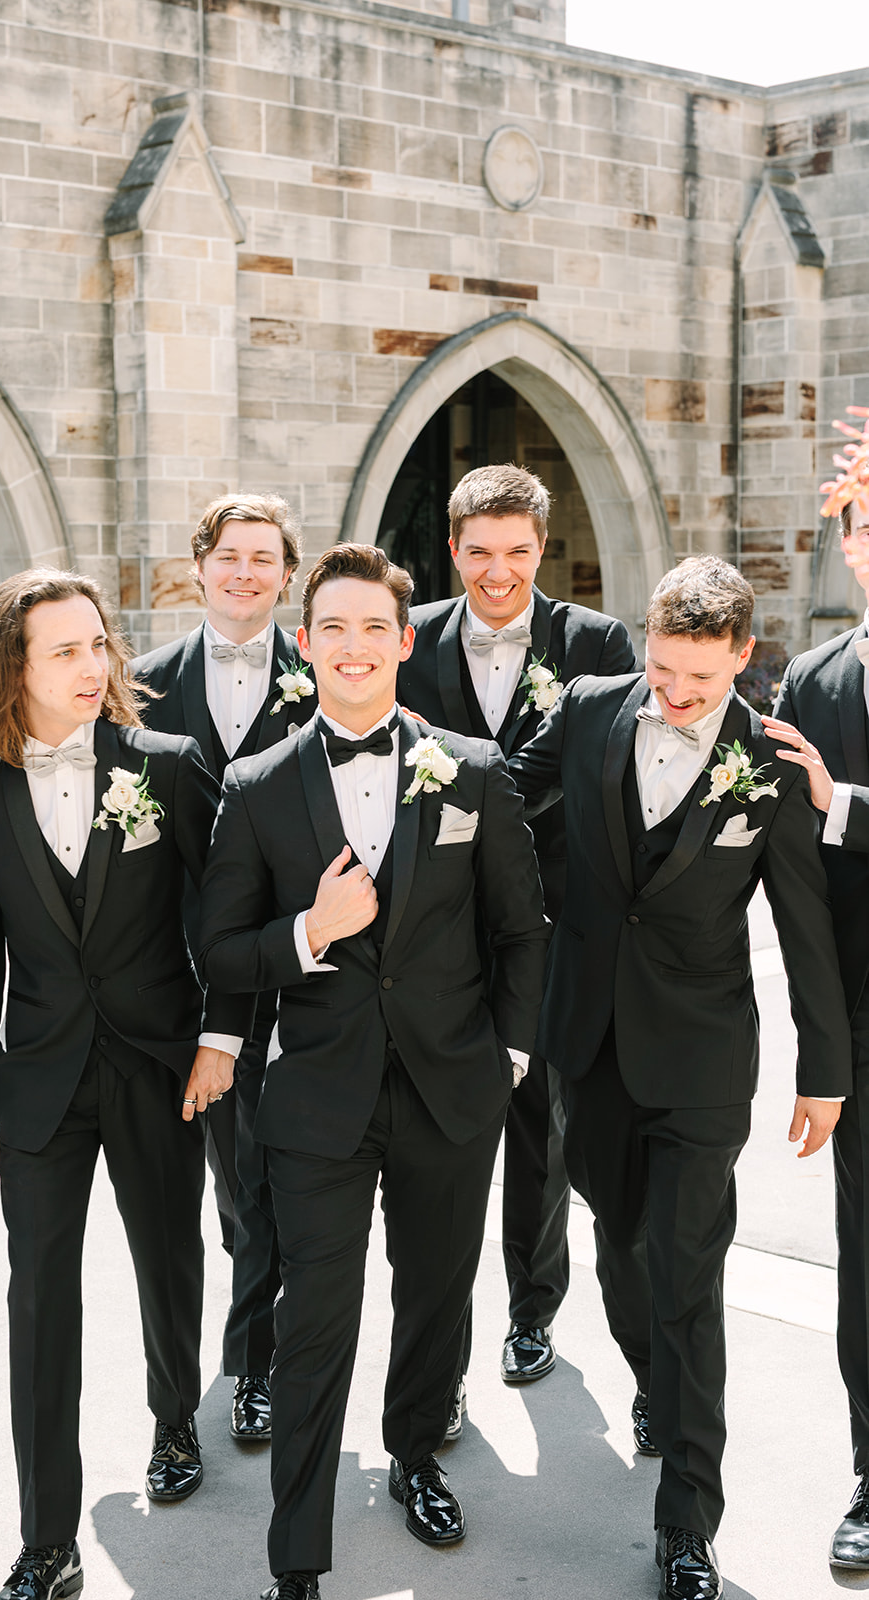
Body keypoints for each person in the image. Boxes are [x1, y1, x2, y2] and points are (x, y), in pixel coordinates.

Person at [198, 542, 550, 1600]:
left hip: (452, 1089)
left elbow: (521, 929)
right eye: (333, 629)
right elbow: (219, 952)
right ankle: (297, 1555)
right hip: (317, 1100)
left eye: (372, 628)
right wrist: (308, 931)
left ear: (403, 642)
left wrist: (510, 1055)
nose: (353, 647)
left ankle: (413, 1457)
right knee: (314, 1320)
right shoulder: (257, 786)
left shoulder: (470, 769)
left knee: (436, 1296)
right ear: (305, 646)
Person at [507, 555, 850, 1600]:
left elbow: (803, 925)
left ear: (742, 656)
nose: (675, 692)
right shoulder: (587, 707)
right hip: (587, 1040)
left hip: (700, 1061)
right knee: (619, 1240)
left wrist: (823, 1070)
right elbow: (500, 798)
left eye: (699, 677)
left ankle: (688, 1525)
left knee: (689, 1280)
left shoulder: (770, 763)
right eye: (661, 670)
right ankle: (651, 1378)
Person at [0, 569, 252, 1600]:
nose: (92, 666)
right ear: (14, 667)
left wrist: (220, 1036)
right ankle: (46, 1540)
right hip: (36, 1086)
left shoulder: (164, 763)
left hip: (159, 1064)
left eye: (98, 644)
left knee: (167, 1259)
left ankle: (174, 1423)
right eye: (64, 650)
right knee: (39, 1300)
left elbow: (223, 910)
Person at [397, 461, 636, 1414]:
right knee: (441, 1141)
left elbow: (603, 771)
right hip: (436, 924)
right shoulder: (409, 640)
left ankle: (532, 1312)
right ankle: (438, 1352)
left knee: (542, 1125)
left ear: (542, 549)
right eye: (479, 551)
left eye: (518, 551)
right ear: (453, 549)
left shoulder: (595, 641)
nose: (498, 571)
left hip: (553, 916)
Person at [132, 495, 312, 1443]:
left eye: (263, 558)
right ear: (198, 565)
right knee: (219, 1178)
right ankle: (235, 1351)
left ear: (286, 574)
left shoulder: (323, 676)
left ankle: (256, 1365)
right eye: (229, 556)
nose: (245, 573)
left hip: (301, 963)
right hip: (179, 979)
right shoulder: (140, 684)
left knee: (274, 1179)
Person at [766, 489, 869, 1570]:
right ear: (848, 545)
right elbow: (792, 885)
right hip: (858, 1024)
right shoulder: (809, 680)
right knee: (866, 1256)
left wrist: (843, 803)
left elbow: (824, 812)